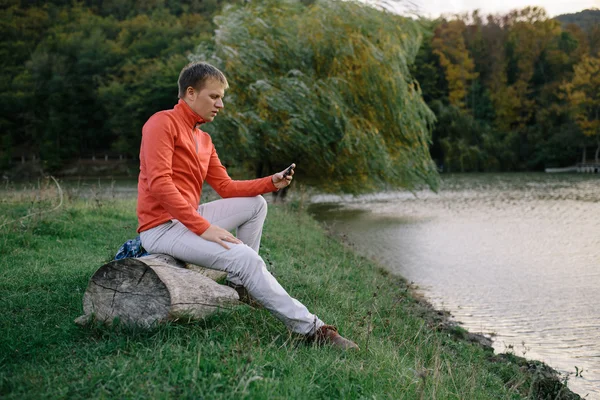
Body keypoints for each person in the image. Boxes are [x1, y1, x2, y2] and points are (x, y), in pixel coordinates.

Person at [136, 61, 358, 350]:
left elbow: (226, 186)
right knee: (244, 257)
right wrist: (204, 228)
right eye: (214, 96)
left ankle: (240, 285)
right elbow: (159, 183)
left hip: (186, 218)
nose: (221, 104)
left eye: (222, 97)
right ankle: (313, 330)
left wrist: (271, 182)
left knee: (256, 204)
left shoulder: (203, 139)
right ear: (190, 93)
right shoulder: (161, 123)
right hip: (161, 228)